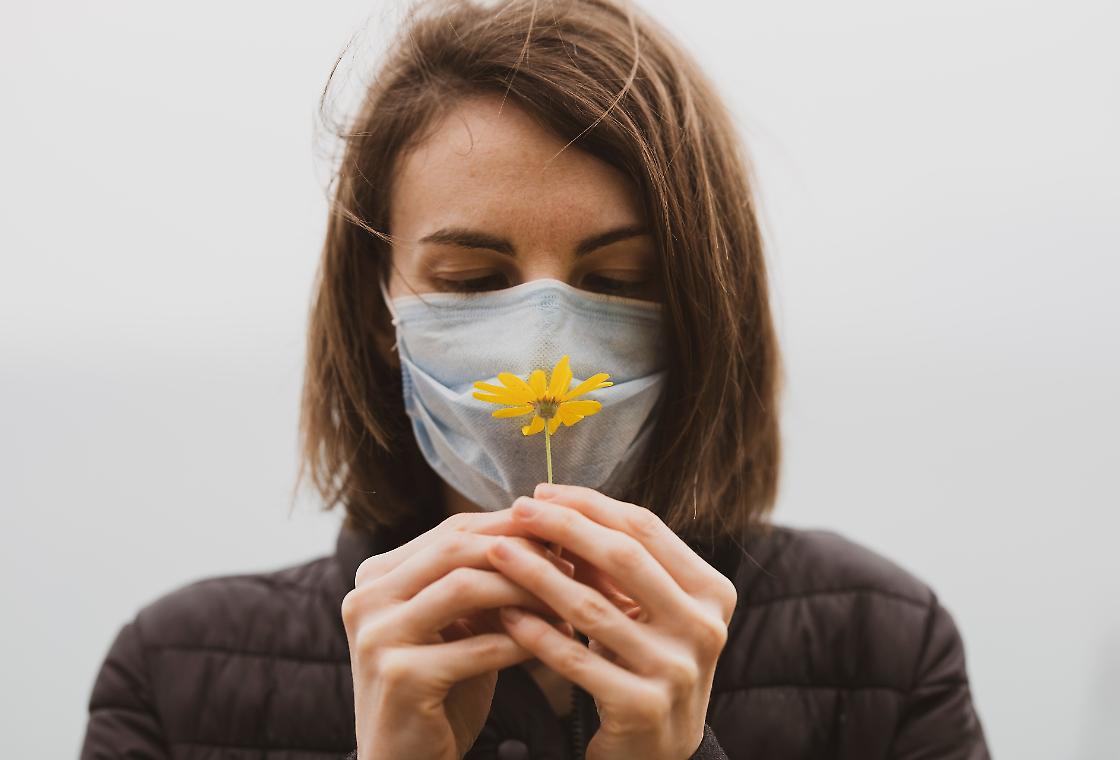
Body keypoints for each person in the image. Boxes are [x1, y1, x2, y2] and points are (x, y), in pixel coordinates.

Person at [80, 0, 991, 758]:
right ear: (378, 313)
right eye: (473, 282)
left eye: (619, 282)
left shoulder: (886, 648)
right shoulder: (170, 677)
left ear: (704, 311)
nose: (541, 345)